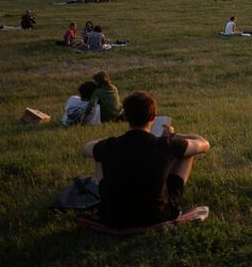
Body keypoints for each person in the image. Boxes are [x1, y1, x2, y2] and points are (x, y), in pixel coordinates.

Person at [82, 91, 211, 229]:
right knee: (188, 152)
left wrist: (115, 140)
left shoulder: (111, 145)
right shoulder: (166, 144)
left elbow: (87, 147)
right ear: (153, 116)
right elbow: (203, 143)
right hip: (158, 217)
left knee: (99, 155)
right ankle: (168, 198)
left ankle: (108, 200)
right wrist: (173, 135)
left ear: (125, 116)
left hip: (114, 218)